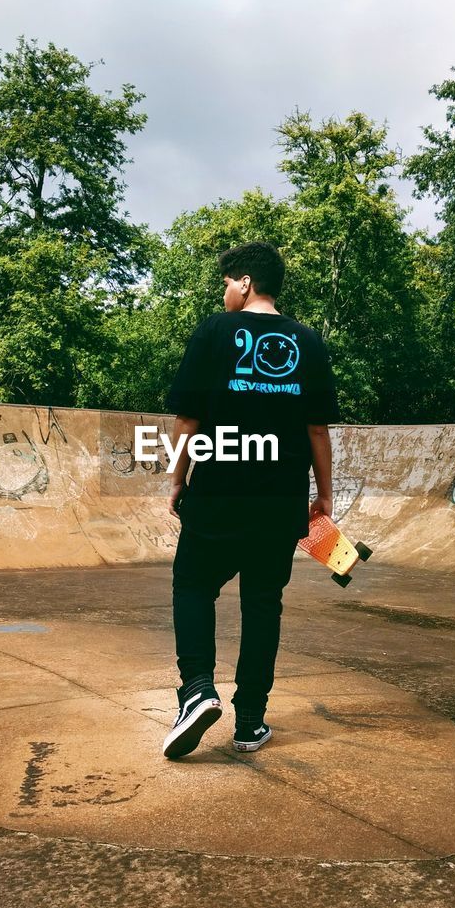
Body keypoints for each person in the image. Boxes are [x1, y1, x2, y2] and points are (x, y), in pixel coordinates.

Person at [161, 241, 339, 759]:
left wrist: (178, 478)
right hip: (279, 503)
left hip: (217, 493)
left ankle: (197, 689)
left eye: (225, 284)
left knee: (193, 586)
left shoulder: (215, 332)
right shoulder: (309, 342)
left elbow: (188, 420)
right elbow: (317, 430)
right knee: (264, 606)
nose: (223, 294)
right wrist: (323, 497)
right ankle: (251, 723)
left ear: (244, 281)